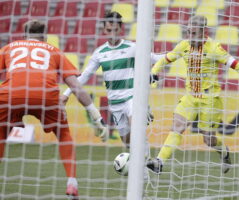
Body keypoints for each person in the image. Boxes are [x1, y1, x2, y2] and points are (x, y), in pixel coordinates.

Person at [0, 20, 108, 199]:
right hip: (45, 95)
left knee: (1, 133)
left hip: (11, 94)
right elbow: (75, 86)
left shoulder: (9, 48)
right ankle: (72, 183)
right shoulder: (54, 51)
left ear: (23, 35)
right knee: (63, 134)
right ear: (45, 36)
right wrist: (96, 116)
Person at [146, 15, 239, 174]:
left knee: (208, 139)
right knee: (177, 127)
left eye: (194, 33)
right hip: (190, 96)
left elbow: (234, 64)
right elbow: (165, 60)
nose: (190, 37)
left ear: (203, 32)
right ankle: (159, 161)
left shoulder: (214, 48)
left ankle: (224, 152)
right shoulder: (184, 45)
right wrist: (153, 72)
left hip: (210, 99)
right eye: (188, 32)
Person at [62, 11, 163, 150]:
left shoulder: (132, 47)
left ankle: (145, 168)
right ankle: (143, 166)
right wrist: (66, 94)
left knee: (136, 131)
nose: (112, 34)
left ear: (120, 29)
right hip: (115, 103)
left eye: (116, 30)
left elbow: (155, 58)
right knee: (128, 143)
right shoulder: (100, 52)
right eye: (109, 30)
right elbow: (84, 75)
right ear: (104, 30)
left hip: (132, 97)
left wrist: (177, 54)